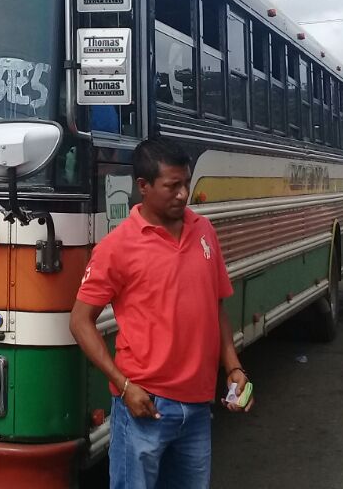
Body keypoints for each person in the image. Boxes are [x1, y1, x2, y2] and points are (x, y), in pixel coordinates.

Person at [70, 139, 250, 489]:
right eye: (172, 186)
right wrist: (124, 387)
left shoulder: (204, 231)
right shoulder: (117, 247)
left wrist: (233, 368)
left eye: (186, 183)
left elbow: (216, 307)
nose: (183, 194)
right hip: (145, 405)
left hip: (198, 406)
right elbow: (80, 321)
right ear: (143, 186)